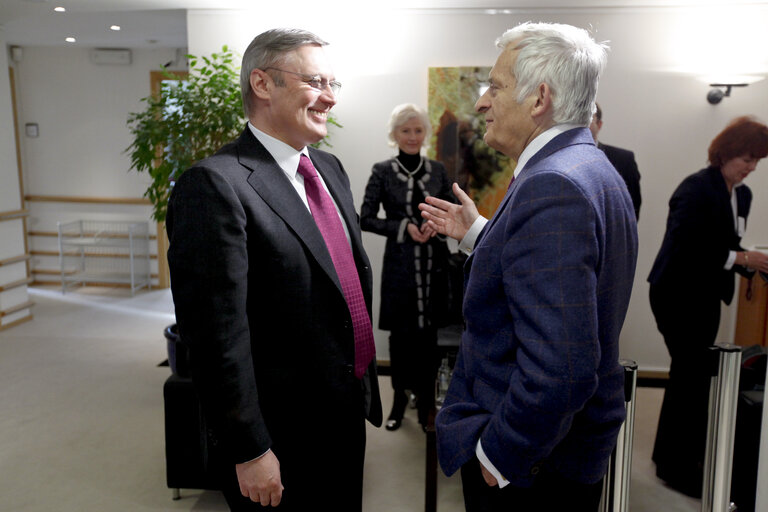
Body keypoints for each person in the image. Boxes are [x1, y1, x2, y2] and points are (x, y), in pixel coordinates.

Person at [418, 22, 638, 512]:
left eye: (494, 87)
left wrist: (498, 458)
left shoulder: (553, 185)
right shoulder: (590, 167)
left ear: (539, 99)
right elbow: (550, 276)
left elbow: (562, 368)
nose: (481, 103)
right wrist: (480, 234)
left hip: (535, 469)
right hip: (564, 455)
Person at [166, 28, 382, 511]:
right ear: (263, 84)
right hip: (279, 434)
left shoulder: (330, 169)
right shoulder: (214, 185)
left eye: (334, 84)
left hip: (343, 409)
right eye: (315, 80)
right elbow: (214, 337)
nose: (329, 97)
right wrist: (250, 448)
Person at [647, 116, 768, 498]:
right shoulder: (696, 188)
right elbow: (688, 247)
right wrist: (742, 260)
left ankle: (679, 458)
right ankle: (675, 468)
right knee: (690, 375)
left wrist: (745, 264)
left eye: (757, 161)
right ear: (727, 153)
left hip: (705, 295)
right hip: (677, 293)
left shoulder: (741, 195)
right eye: (746, 159)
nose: (751, 168)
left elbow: (727, 242)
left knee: (692, 376)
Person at [360, 103, 454, 432]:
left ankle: (427, 402)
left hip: (433, 269)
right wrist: (403, 228)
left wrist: (436, 225)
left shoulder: (439, 171)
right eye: (405, 130)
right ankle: (399, 399)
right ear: (394, 135)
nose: (412, 136)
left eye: (417, 130)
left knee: (429, 338)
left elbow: (452, 211)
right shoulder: (382, 171)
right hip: (399, 269)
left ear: (425, 133)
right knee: (400, 339)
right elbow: (366, 218)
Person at [589, 102, 642, 219]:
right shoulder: (559, 159)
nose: (582, 124)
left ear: (599, 124)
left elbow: (633, 209)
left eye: (588, 117)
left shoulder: (623, 160)